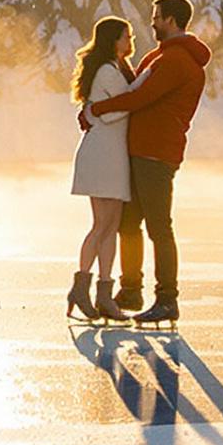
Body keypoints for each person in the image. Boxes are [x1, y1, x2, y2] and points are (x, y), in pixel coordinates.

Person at [78, 0, 210, 325]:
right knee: (127, 223)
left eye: (156, 15)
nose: (152, 21)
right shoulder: (159, 56)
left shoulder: (177, 61)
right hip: (138, 152)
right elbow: (129, 86)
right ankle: (131, 289)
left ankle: (167, 298)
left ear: (171, 19)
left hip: (156, 153)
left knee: (158, 227)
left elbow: (138, 97)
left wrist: (95, 110)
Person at [66, 17, 136, 321]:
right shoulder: (108, 71)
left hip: (112, 154)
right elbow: (126, 105)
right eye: (126, 36)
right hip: (102, 155)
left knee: (111, 227)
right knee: (102, 225)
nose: (130, 41)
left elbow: (125, 102)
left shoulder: (117, 68)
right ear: (112, 40)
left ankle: (104, 295)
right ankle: (81, 286)